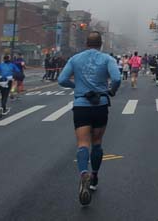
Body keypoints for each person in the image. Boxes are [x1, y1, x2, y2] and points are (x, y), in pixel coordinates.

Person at [58, 31, 120, 206]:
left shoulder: (75, 59)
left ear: (86, 43)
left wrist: (76, 85)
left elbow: (62, 79)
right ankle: (94, 176)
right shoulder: (108, 59)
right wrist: (112, 91)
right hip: (100, 104)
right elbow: (116, 78)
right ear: (100, 44)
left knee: (83, 143)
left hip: (81, 105)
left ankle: (83, 172)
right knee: (97, 142)